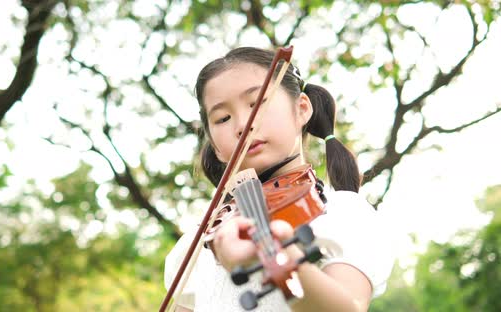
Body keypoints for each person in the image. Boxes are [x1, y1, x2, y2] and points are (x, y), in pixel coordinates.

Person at [164, 47, 395, 311]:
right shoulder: (202, 241)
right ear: (215, 147)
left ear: (302, 109)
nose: (242, 124)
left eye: (257, 104)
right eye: (223, 118)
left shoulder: (342, 214)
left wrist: (276, 253)